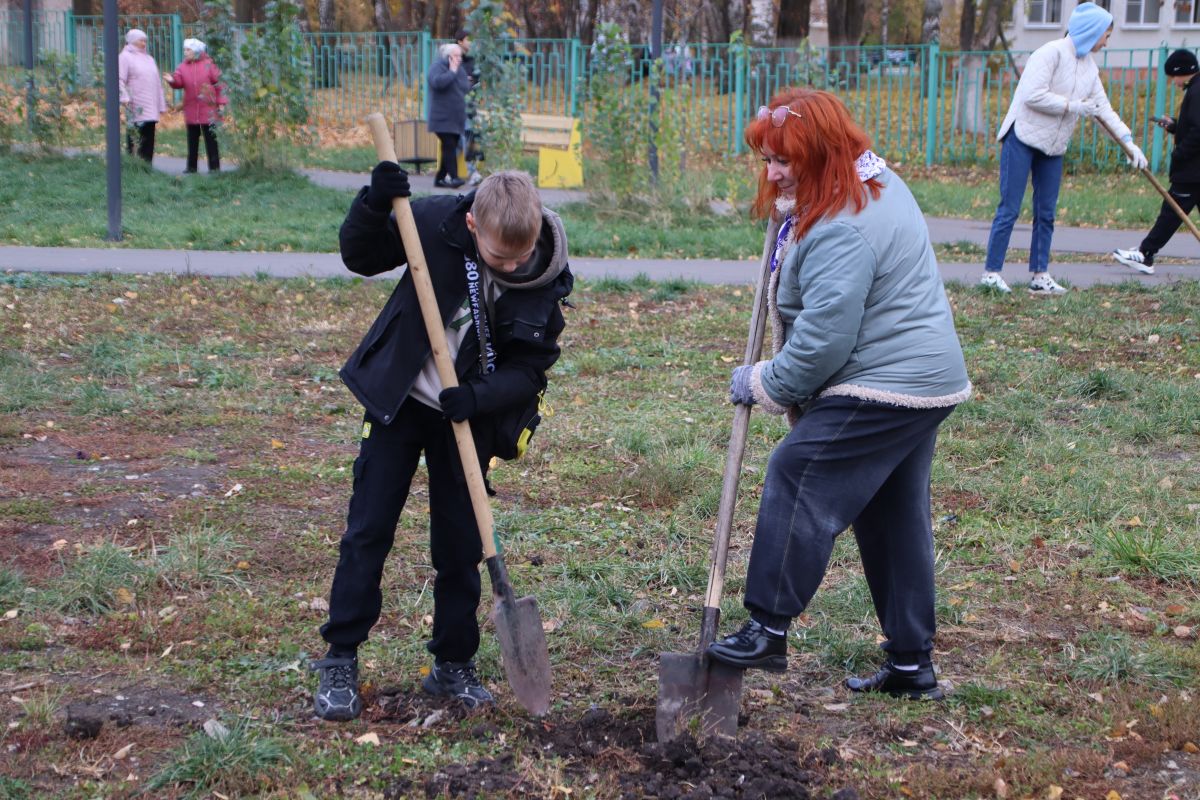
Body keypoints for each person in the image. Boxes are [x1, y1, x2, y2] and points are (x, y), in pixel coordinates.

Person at [704, 88, 971, 701]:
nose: (772, 173)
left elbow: (823, 341)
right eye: (767, 160)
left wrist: (764, 382)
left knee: (798, 471)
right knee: (891, 513)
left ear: (821, 154)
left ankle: (768, 627)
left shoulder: (844, 226)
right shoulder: (864, 184)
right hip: (923, 378)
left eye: (784, 161)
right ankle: (911, 665)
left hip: (886, 382)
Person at [310, 166, 573, 720]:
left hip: (467, 416)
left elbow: (531, 370)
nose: (510, 267)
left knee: (459, 546)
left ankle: (453, 664)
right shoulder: (432, 223)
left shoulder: (545, 273)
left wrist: (477, 398)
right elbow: (360, 255)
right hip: (400, 401)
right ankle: (340, 657)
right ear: (473, 224)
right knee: (368, 529)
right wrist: (374, 203)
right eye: (498, 257)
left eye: (519, 257)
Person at [981, 2, 1146, 295]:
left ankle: (1039, 276)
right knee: (1010, 208)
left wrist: (1128, 143)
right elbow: (1032, 95)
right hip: (1022, 137)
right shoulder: (1051, 53)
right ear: (1092, 31)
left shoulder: (1089, 68)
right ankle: (991, 273)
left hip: (1053, 147)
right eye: (1106, 35)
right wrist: (1072, 106)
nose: (1106, 43)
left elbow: (1103, 110)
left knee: (1046, 213)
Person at [1113, 49, 1200, 274]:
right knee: (1171, 211)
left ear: (1183, 71)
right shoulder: (1195, 89)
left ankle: (1145, 254)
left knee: (1171, 213)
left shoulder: (1197, 92)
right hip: (1194, 171)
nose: (1173, 82)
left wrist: (1179, 154)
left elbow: (1198, 131)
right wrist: (1175, 126)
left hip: (1192, 171)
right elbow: (1192, 126)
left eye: (1173, 77)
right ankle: (1146, 252)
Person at [164, 38, 227, 174]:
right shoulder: (182, 66)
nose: (185, 52)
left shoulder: (209, 65)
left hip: (208, 109)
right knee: (192, 139)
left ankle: (214, 168)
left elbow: (220, 84)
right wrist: (172, 80)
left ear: (197, 51)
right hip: (191, 108)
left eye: (188, 50)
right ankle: (191, 168)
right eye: (184, 50)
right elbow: (179, 82)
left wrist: (221, 103)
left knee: (211, 139)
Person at [118, 29, 167, 163]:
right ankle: (132, 164)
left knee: (149, 136)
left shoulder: (149, 59)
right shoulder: (125, 57)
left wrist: (161, 104)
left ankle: (146, 166)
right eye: (141, 40)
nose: (144, 43)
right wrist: (124, 97)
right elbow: (119, 79)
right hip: (135, 103)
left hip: (150, 104)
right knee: (135, 134)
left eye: (145, 40)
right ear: (132, 40)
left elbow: (157, 83)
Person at [427, 42, 471, 189]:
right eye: (456, 55)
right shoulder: (437, 67)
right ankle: (454, 177)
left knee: (449, 147)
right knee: (449, 145)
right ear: (448, 56)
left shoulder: (459, 69)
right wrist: (451, 72)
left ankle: (439, 179)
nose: (459, 58)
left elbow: (465, 87)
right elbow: (437, 83)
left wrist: (460, 76)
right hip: (442, 118)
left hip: (456, 118)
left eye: (460, 56)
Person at [456, 28, 484, 186]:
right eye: (468, 39)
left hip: (470, 105)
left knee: (464, 140)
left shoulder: (473, 60)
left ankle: (449, 172)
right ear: (460, 41)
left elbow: (477, 79)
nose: (471, 42)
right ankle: (472, 172)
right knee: (464, 137)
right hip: (456, 105)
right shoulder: (453, 58)